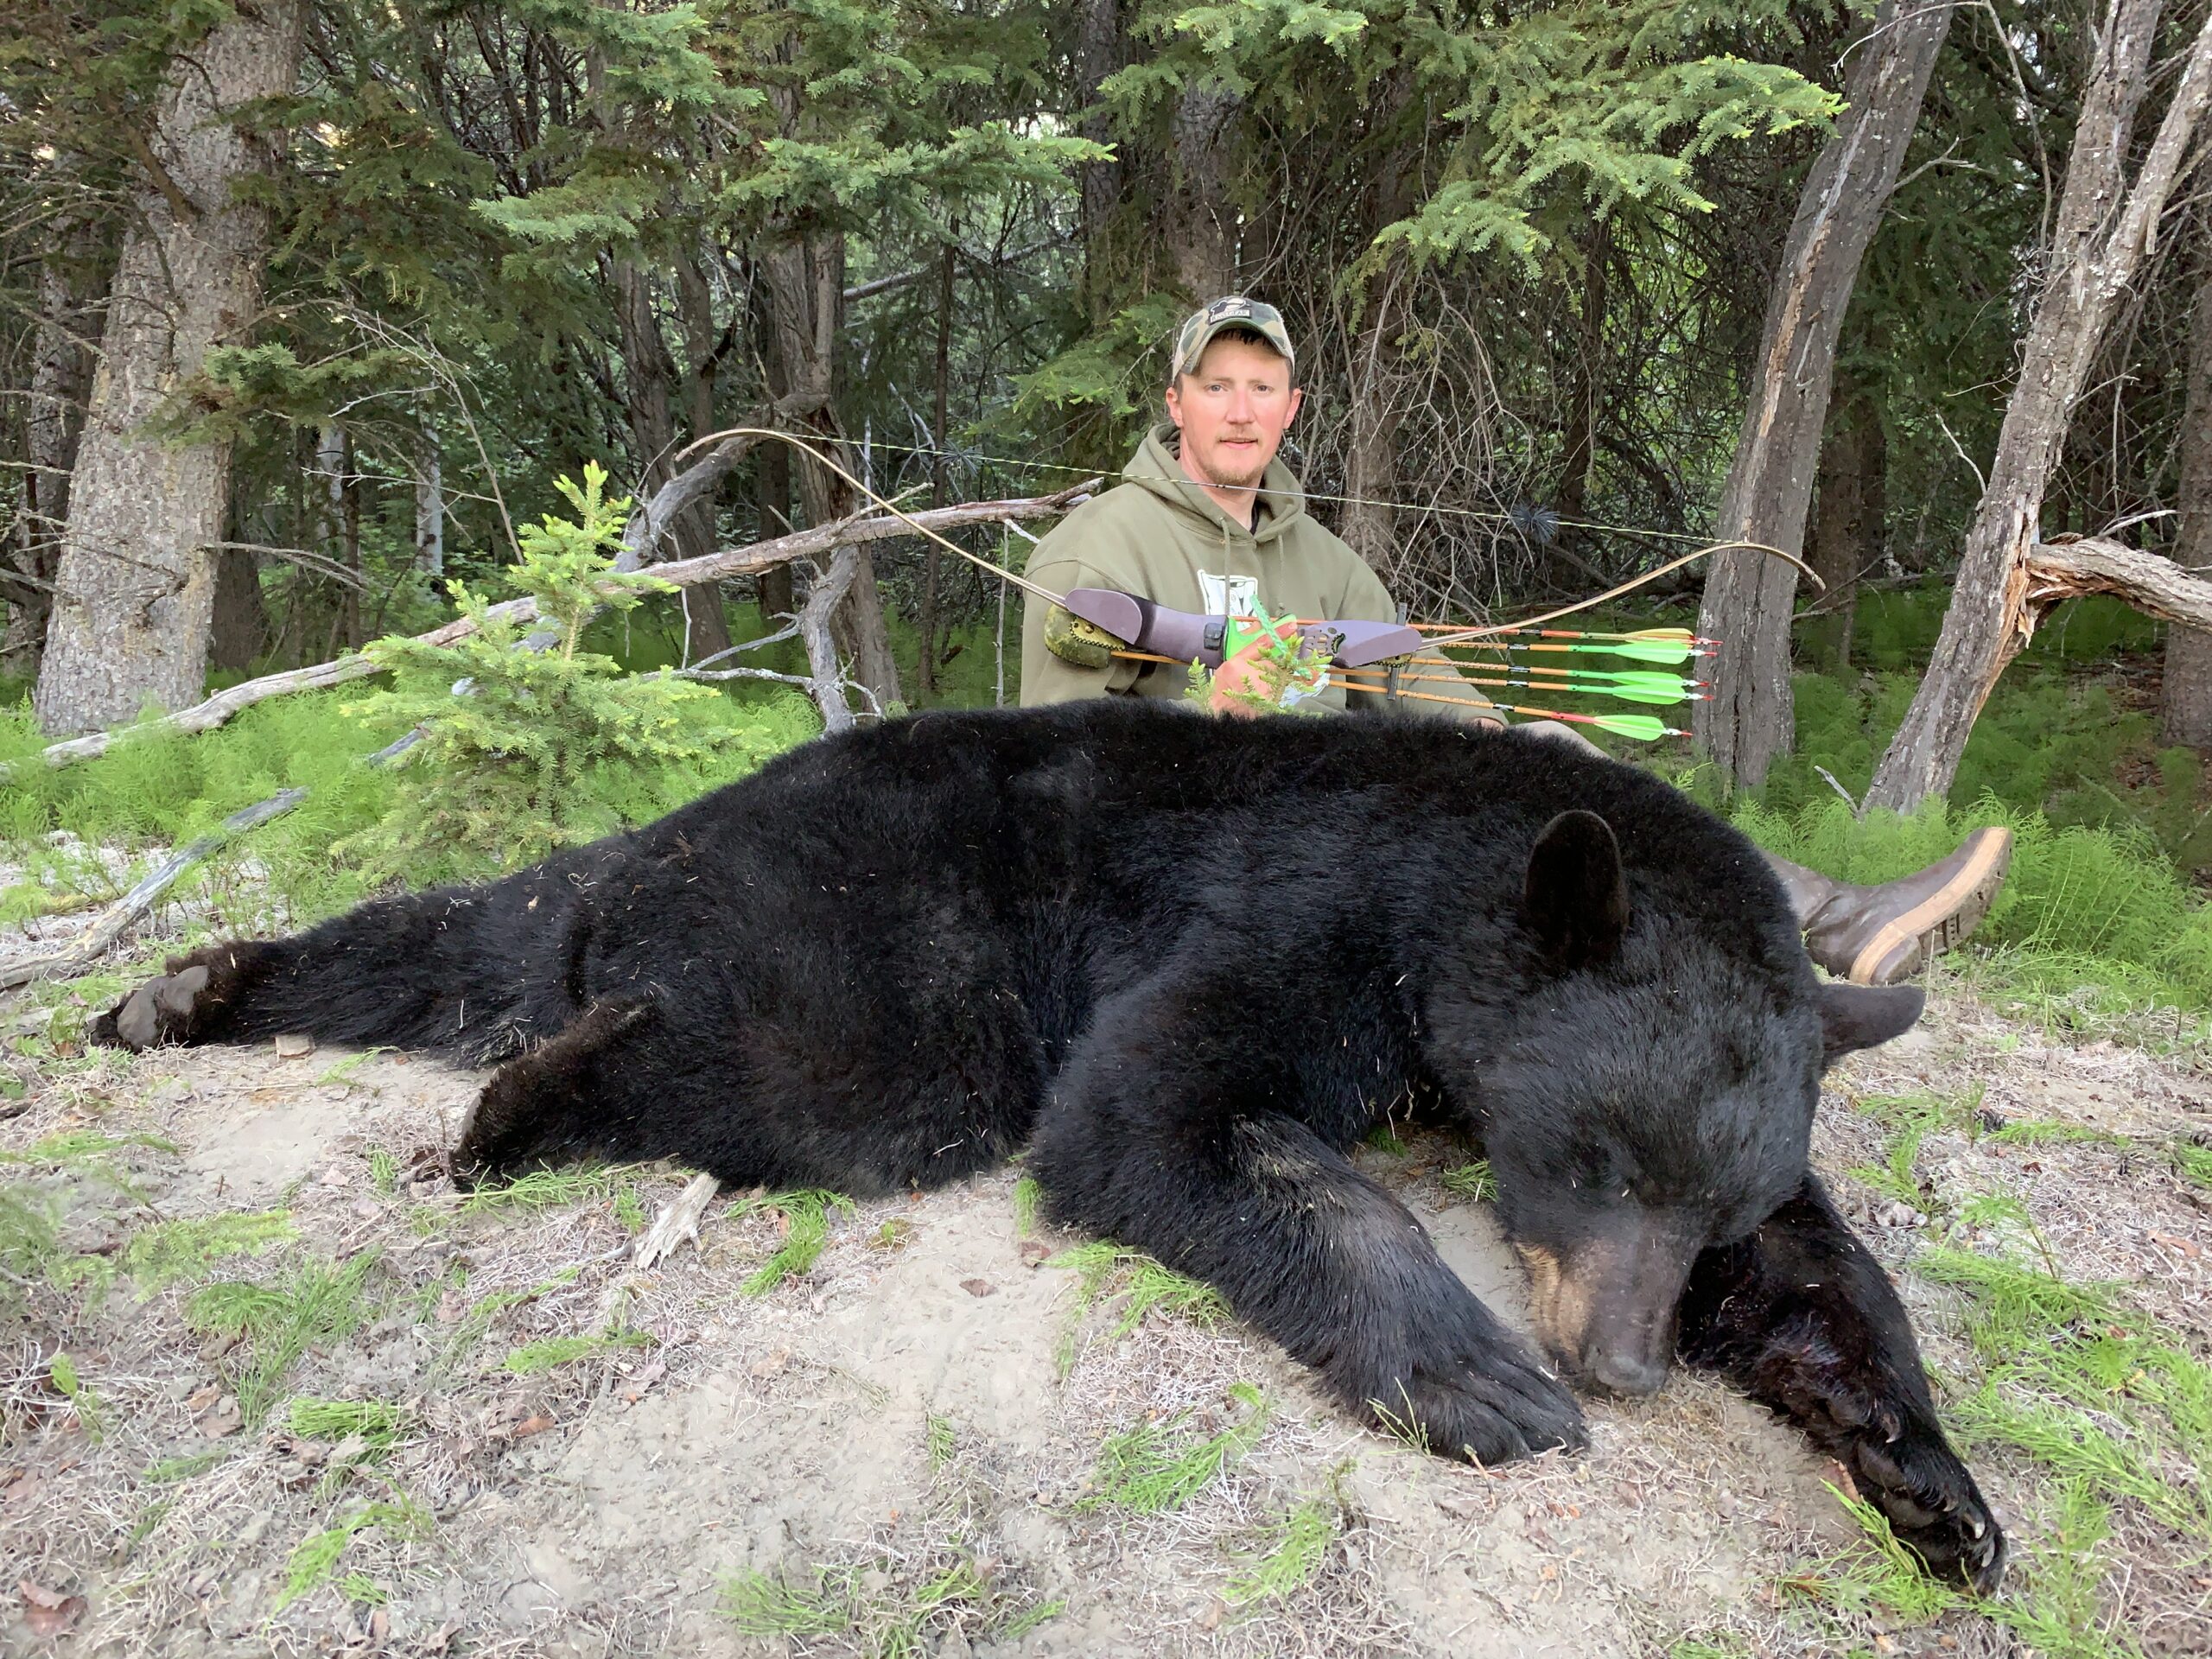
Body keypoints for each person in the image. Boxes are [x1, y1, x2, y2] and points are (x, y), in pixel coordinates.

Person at [1016, 295, 2011, 987]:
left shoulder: (1323, 561)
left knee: (1554, 764)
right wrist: (1211, 718)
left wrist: (1519, 750)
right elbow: (1058, 786)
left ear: (1292, 408)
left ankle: (1834, 924)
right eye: (1218, 384)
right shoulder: (1097, 548)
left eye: (1262, 387)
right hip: (1191, 872)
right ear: (1174, 401)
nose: (1240, 410)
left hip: (1331, 832)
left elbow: (1425, 683)